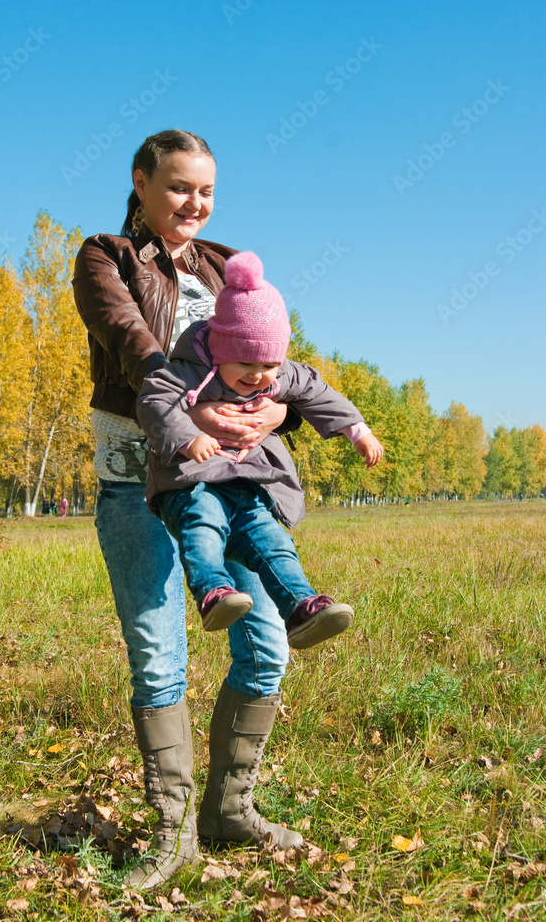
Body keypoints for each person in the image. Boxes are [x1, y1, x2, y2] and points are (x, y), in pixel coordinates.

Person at [73, 129, 331, 890]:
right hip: (136, 479)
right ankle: (173, 833)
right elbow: (130, 344)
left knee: (267, 642)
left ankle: (229, 810)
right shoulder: (106, 257)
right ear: (141, 181)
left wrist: (275, 417)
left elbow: (273, 365)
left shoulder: (228, 266)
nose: (196, 203)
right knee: (160, 658)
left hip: (228, 485)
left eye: (207, 190)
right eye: (181, 186)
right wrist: (190, 415)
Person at [136, 251, 384, 649]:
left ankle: (302, 606)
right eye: (246, 363)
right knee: (203, 522)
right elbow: (154, 401)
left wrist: (358, 432)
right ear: (220, 348)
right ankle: (214, 592)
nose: (258, 375)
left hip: (250, 486)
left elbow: (319, 393)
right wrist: (187, 436)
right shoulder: (186, 371)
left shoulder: (278, 372)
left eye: (269, 365)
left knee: (274, 541)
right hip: (194, 484)